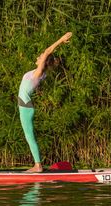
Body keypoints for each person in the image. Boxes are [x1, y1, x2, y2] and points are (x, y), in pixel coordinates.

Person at [18, 32, 72, 172]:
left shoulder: (38, 72)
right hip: (26, 107)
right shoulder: (38, 73)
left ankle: (38, 166)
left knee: (29, 136)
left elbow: (48, 51)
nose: (39, 56)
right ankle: (38, 165)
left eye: (41, 56)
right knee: (29, 136)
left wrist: (60, 40)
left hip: (25, 108)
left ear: (44, 61)